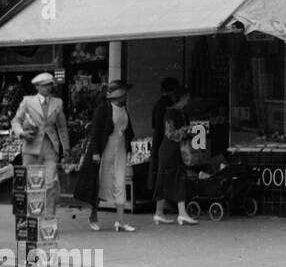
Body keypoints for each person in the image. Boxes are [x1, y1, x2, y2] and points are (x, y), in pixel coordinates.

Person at [76, 80, 137, 232]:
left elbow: (128, 130)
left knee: (120, 181)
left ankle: (120, 221)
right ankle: (93, 216)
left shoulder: (123, 109)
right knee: (100, 181)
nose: (125, 96)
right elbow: (95, 132)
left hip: (120, 148)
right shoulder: (103, 109)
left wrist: (130, 148)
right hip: (106, 149)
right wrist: (96, 152)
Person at [10, 71, 70, 219]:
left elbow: (62, 127)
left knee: (50, 183)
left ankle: (49, 217)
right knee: (32, 185)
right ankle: (33, 217)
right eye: (44, 86)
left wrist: (66, 147)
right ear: (37, 87)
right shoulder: (27, 101)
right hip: (31, 149)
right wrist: (21, 133)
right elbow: (15, 121)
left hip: (51, 148)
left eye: (50, 85)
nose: (48, 88)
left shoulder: (58, 102)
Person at [153, 85, 199, 227]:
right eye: (186, 97)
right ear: (180, 98)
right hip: (169, 151)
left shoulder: (181, 113)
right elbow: (170, 134)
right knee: (164, 180)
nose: (188, 100)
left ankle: (181, 213)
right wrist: (186, 130)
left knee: (179, 179)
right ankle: (159, 213)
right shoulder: (170, 114)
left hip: (178, 151)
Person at [147, 77, 180, 197]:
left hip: (158, 138)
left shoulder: (158, 104)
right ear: (172, 91)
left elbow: (154, 125)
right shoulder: (168, 106)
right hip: (165, 139)